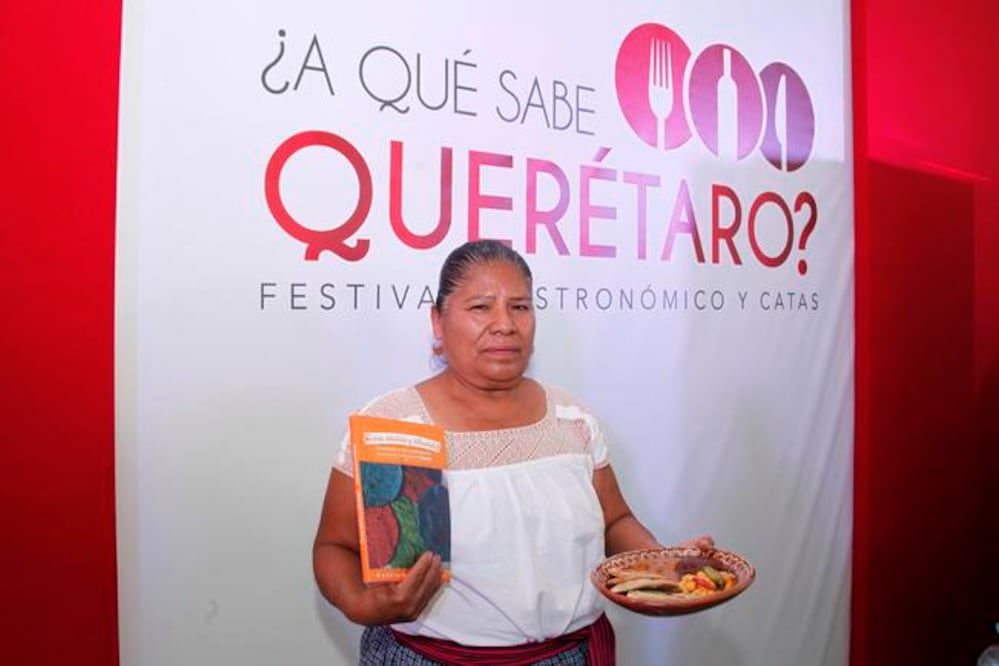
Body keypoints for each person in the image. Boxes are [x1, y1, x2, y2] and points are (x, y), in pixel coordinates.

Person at [313, 239, 711, 665]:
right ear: (438, 321)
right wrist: (364, 605)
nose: (504, 324)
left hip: (568, 655)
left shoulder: (571, 419)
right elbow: (334, 547)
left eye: (519, 307)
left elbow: (615, 520)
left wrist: (660, 565)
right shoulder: (395, 425)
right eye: (481, 307)